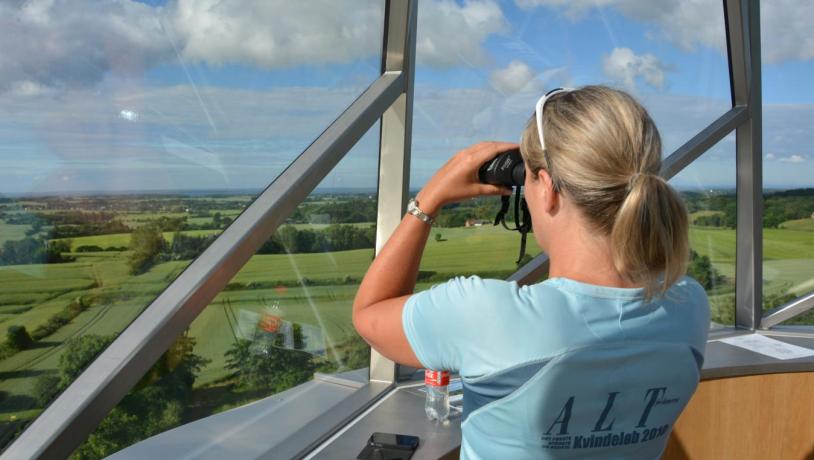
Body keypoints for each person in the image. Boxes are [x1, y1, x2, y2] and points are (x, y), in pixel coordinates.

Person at [352, 85, 710, 459]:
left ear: (549, 189)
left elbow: (369, 315)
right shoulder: (688, 305)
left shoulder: (487, 315)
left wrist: (430, 197)